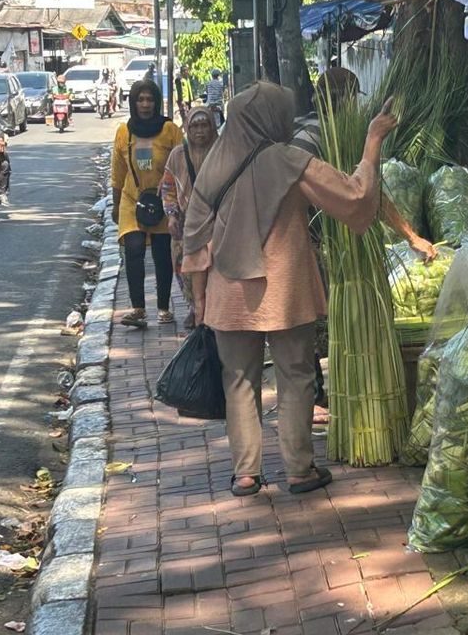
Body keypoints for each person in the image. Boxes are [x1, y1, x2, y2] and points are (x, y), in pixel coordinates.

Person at [182, 82, 398, 497]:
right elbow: (353, 196)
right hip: (284, 287)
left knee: (239, 381)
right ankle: (299, 469)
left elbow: (194, 235)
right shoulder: (288, 160)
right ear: (272, 118)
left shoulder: (214, 162)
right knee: (296, 375)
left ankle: (246, 473)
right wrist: (372, 140)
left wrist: (200, 295)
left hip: (228, 291)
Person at [290, 66, 437, 423]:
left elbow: (367, 193)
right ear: (339, 101)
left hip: (318, 246)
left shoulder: (318, 131)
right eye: (349, 100)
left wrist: (410, 235)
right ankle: (310, 399)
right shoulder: (316, 138)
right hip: (309, 246)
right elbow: (358, 195)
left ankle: (315, 397)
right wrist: (411, 236)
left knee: (309, 323)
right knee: (305, 323)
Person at [111, 79, 184, 328]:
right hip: (132, 200)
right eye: (140, 100)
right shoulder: (124, 132)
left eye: (150, 99)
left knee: (162, 255)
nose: (145, 104)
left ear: (157, 102)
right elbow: (117, 171)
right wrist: (115, 202)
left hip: (163, 200)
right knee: (133, 250)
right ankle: (138, 309)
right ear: (133, 102)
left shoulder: (170, 130)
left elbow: (182, 166)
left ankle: (163, 308)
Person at [159, 106, 218, 329]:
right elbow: (168, 186)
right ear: (187, 128)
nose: (200, 131)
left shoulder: (221, 151)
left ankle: (211, 310)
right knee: (185, 268)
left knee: (213, 268)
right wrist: (172, 216)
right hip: (185, 222)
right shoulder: (178, 155)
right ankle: (195, 309)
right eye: (195, 126)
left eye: (205, 125)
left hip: (215, 221)